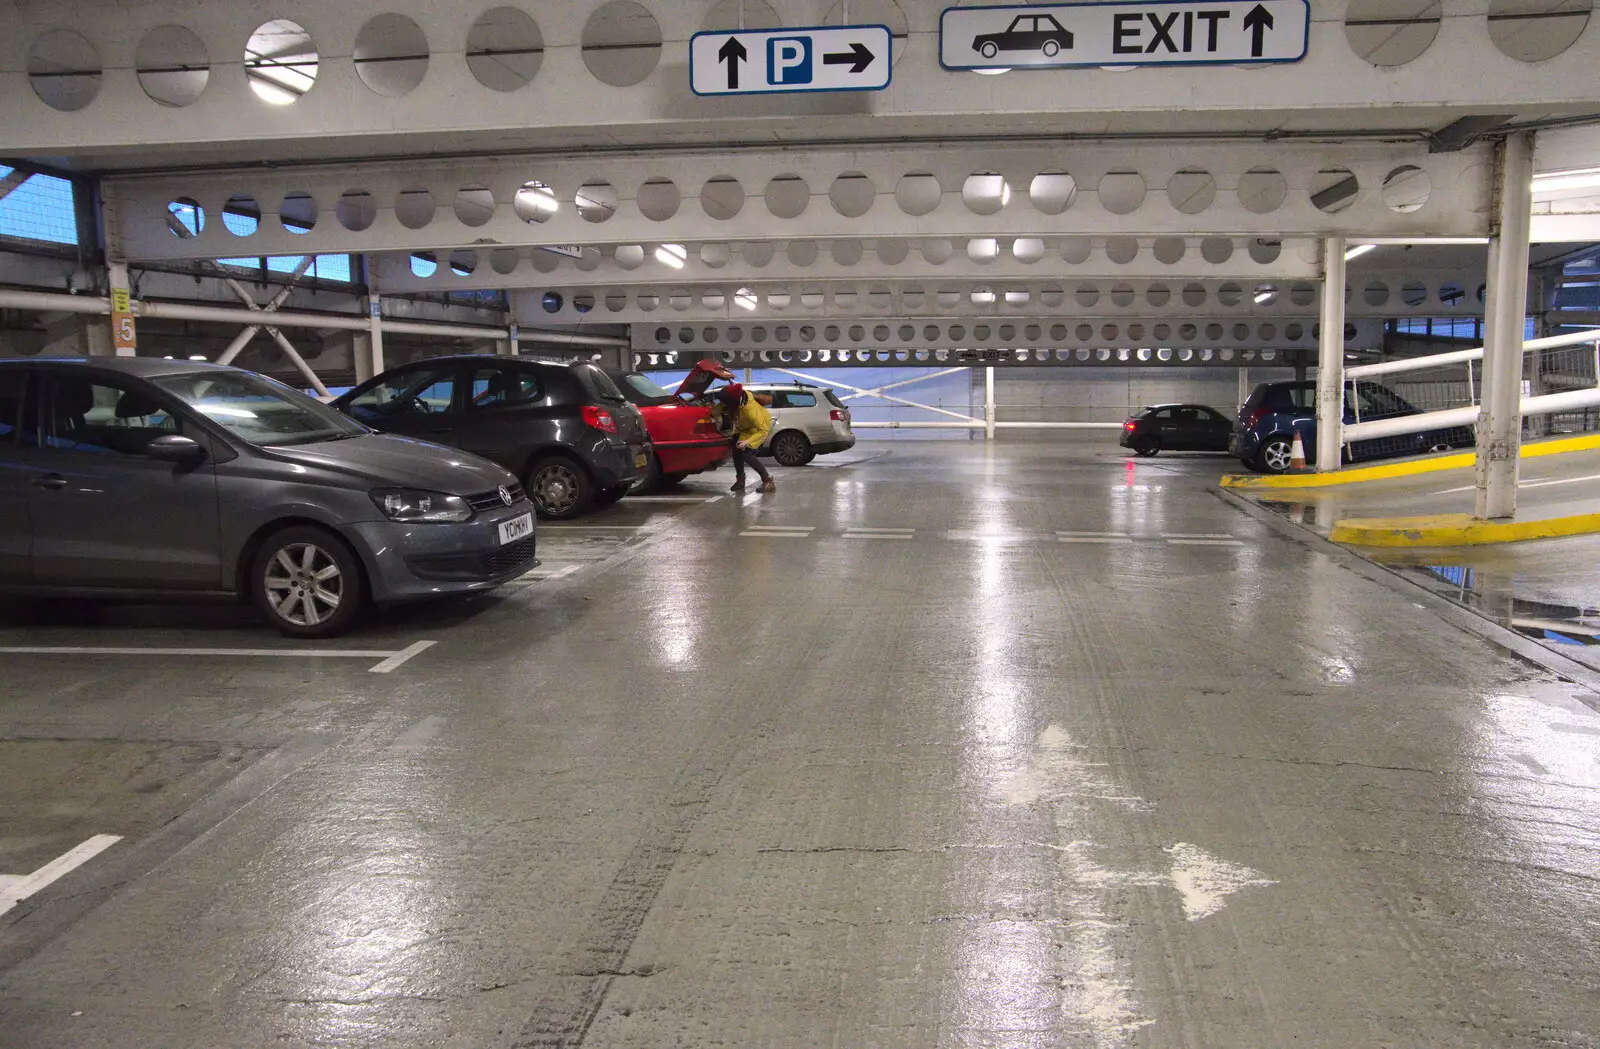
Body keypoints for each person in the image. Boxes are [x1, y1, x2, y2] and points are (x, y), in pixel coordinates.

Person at [715, 382, 776, 493]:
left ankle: (768, 481)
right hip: (743, 427)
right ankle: (740, 480)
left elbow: (763, 430)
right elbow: (720, 407)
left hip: (757, 429)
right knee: (736, 451)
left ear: (732, 403)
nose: (723, 404)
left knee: (745, 454)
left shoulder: (750, 410)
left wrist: (747, 442)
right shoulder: (737, 398)